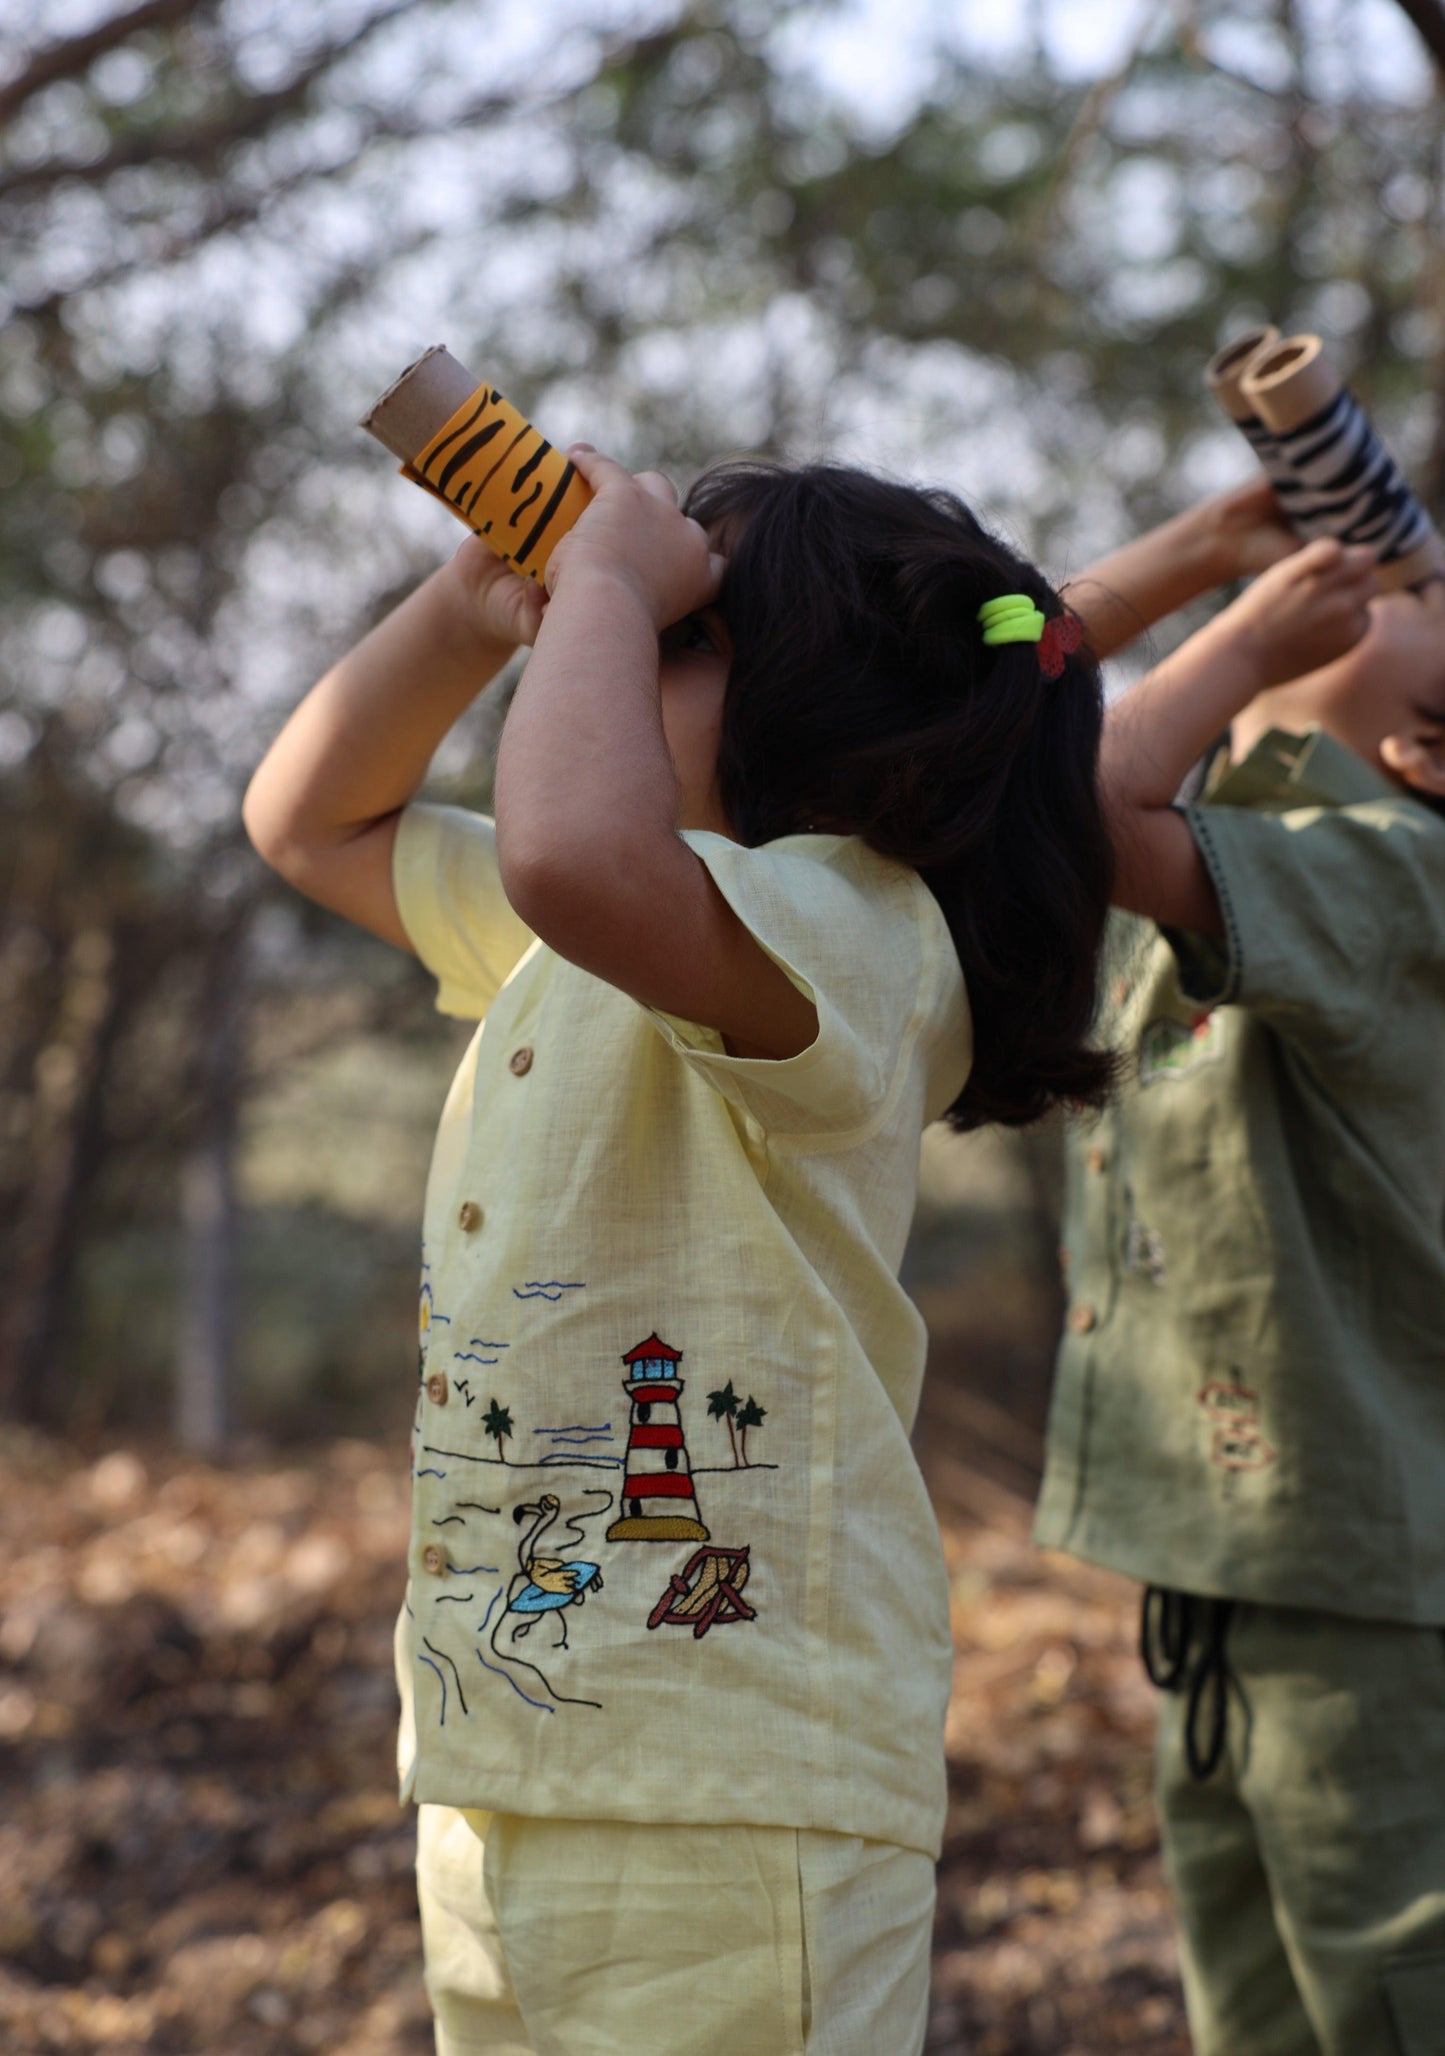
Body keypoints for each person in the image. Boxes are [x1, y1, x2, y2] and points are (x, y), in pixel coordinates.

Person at [243, 442, 1116, 2056]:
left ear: (839, 723)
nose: (626, 641)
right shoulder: (600, 938)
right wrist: (459, 613)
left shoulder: (849, 928)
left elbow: (570, 848)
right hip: (509, 1754)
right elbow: (309, 822)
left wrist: (610, 588)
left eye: (687, 637)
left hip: (736, 1775)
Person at [1035, 476, 1445, 2056]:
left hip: (1365, 1591)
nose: (1366, 578)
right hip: (1228, 1569)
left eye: (1407, 595)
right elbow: (985, 755)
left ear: (1423, 743)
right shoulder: (1245, 828)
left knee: (1395, 1987)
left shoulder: (1387, 867)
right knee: (1254, 1997)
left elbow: (1058, 809)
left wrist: (1230, 640)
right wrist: (1203, 559)